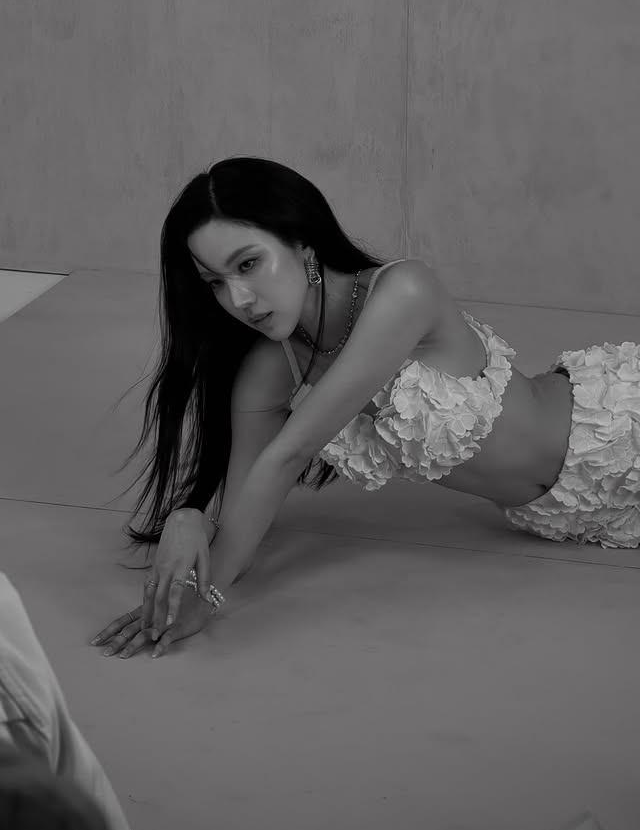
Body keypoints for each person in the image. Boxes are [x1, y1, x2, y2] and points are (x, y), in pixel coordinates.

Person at [91, 154, 640, 663]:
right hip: (571, 512)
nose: (240, 299)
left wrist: (207, 594)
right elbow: (244, 520)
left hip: (620, 426)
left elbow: (290, 453)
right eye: (216, 282)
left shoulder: (403, 291)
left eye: (250, 264)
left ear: (303, 244)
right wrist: (188, 520)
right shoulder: (268, 371)